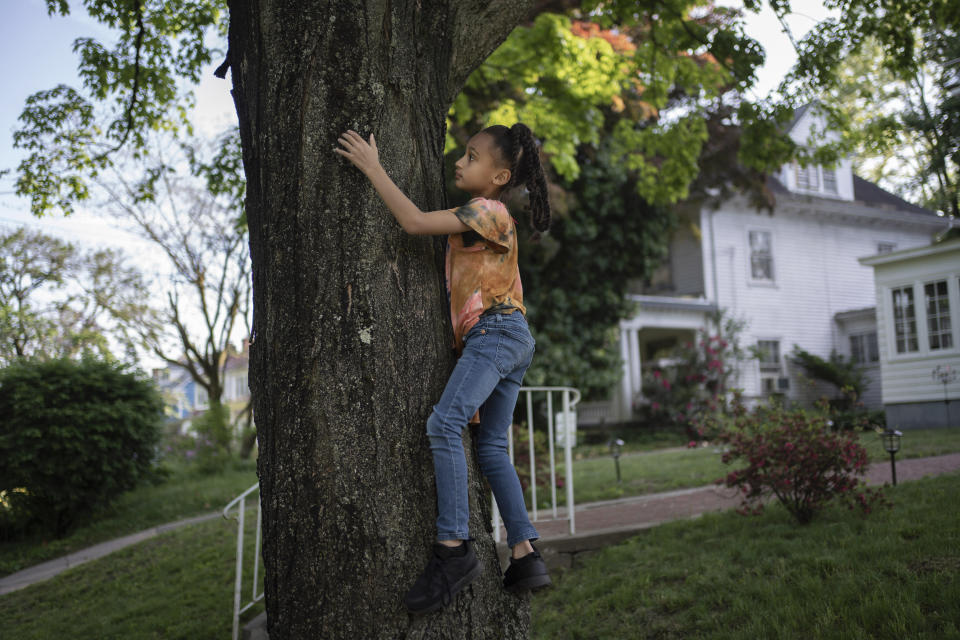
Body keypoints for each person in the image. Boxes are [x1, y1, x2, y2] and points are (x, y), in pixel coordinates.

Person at [334, 122, 553, 614]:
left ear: (498, 176)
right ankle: (524, 552)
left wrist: (372, 166)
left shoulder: (489, 211)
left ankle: (453, 549)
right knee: (491, 445)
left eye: (472, 157)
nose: (459, 160)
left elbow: (412, 221)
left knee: (443, 424)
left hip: (495, 333)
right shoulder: (484, 217)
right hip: (510, 336)